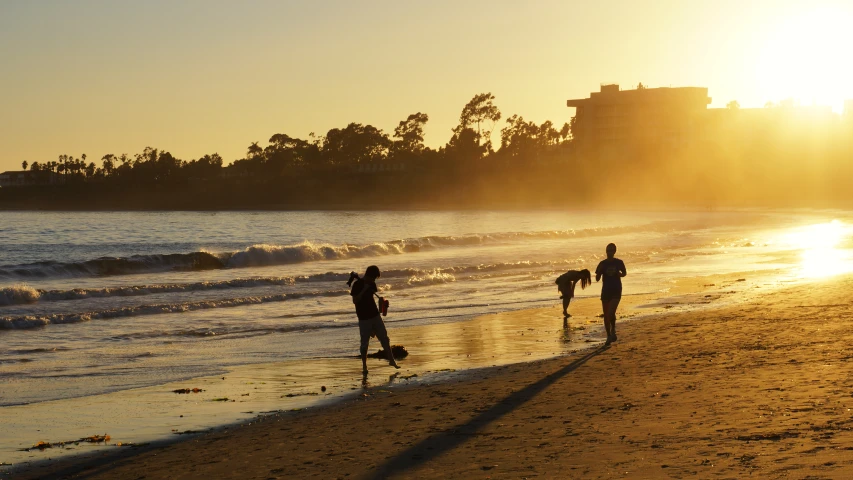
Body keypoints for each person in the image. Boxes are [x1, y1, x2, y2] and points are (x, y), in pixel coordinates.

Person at [350, 265, 400, 374]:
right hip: (364, 318)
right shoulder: (357, 285)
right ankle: (364, 366)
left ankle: (392, 361)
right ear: (368, 275)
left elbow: (373, 299)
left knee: (385, 339)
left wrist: (381, 305)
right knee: (364, 344)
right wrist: (363, 290)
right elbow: (355, 301)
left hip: (375, 315)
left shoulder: (372, 284)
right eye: (373, 278)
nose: (373, 280)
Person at [595, 243, 626, 345]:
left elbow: (624, 273)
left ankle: (613, 329)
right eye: (608, 250)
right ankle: (608, 335)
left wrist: (619, 274)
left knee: (611, 313)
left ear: (614, 251)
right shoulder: (602, 264)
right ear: (606, 251)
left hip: (616, 289)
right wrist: (599, 273)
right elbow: (597, 278)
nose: (609, 252)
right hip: (605, 291)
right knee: (606, 315)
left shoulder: (619, 262)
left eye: (612, 250)